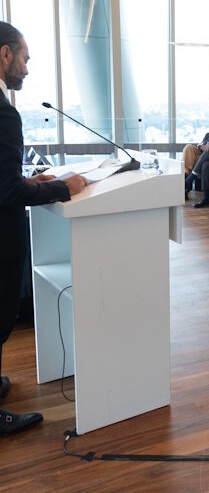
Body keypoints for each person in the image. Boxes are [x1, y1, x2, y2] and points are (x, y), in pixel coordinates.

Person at [0, 22, 88, 435]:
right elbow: (6, 193)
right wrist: (62, 187)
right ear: (5, 54)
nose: (27, 68)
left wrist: (28, 180)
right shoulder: (4, 113)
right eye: (25, 58)